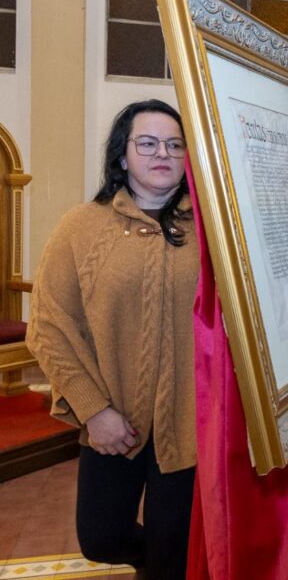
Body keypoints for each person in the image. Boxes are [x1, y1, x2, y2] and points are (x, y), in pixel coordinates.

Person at [27, 100, 198, 578]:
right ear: (122, 156)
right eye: (146, 143)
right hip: (111, 422)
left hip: (188, 425)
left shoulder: (212, 230)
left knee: (175, 555)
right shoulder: (81, 227)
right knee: (100, 536)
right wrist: (93, 410)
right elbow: (49, 325)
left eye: (174, 144)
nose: (161, 152)